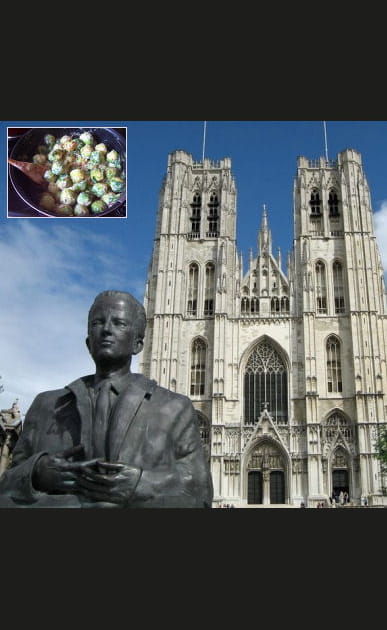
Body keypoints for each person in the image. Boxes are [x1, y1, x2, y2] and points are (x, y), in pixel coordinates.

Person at [0, 290, 213, 508]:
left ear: (138, 344)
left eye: (119, 323)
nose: (107, 330)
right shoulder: (45, 405)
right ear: (87, 342)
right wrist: (36, 474)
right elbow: (6, 486)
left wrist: (140, 484)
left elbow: (200, 493)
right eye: (98, 323)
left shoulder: (175, 408)